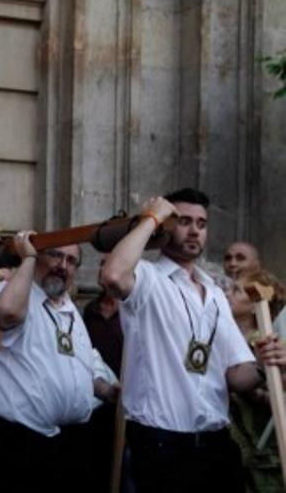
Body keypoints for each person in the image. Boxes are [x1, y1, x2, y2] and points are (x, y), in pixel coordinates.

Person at [100, 188, 283, 492]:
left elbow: (237, 375)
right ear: (166, 226)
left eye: (201, 223)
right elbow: (114, 276)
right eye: (183, 221)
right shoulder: (148, 278)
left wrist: (264, 364)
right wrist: (150, 219)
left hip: (215, 441)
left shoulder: (215, 293)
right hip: (161, 441)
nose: (194, 231)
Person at [0, 233, 118, 492]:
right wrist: (26, 256)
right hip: (17, 445)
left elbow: (80, 364)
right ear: (36, 256)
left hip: (66, 445)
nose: (63, 266)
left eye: (71, 261)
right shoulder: (15, 295)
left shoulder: (69, 307)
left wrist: (105, 389)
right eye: (55, 255)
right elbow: (6, 315)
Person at [226, 269, 286, 493]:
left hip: (261, 450)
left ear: (255, 304)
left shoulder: (269, 345)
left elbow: (279, 400)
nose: (227, 294)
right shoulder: (224, 338)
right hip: (230, 446)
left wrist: (249, 390)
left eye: (237, 290)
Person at [82, 254, 126, 493]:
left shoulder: (132, 312)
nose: (105, 269)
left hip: (124, 401)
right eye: (101, 263)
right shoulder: (90, 309)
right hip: (95, 400)